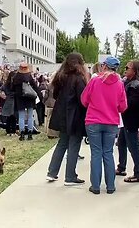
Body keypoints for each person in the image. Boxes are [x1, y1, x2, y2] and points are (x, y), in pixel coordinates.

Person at [81, 56, 127, 194]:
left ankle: (95, 186)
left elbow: (84, 99)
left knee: (96, 153)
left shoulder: (95, 81)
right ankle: (110, 186)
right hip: (111, 122)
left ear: (104, 66)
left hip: (93, 120)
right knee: (108, 153)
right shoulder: (119, 84)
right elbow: (123, 106)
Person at [46, 53, 88, 186]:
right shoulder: (79, 79)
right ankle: (70, 176)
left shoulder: (60, 77)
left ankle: (52, 172)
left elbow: (56, 94)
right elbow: (83, 99)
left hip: (62, 113)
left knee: (62, 143)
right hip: (75, 115)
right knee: (74, 145)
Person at [117, 60, 139, 183]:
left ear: (134, 71)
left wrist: (120, 104)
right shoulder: (129, 83)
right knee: (122, 142)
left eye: (128, 67)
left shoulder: (135, 85)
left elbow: (132, 104)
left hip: (131, 119)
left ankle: (138, 172)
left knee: (133, 146)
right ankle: (121, 167)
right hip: (126, 119)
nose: (125, 69)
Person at [12, 62, 41, 141]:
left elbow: (12, 88)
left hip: (20, 98)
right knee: (30, 116)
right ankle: (30, 134)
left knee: (21, 117)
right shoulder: (29, 77)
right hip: (29, 98)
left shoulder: (16, 77)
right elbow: (35, 86)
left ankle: (22, 134)